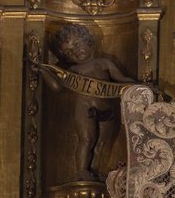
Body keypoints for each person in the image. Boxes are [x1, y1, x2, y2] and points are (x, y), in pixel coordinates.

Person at [40, 24, 135, 181]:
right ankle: (82, 171)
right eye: (69, 52)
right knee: (87, 139)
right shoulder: (73, 71)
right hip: (85, 108)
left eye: (77, 44)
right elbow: (57, 87)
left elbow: (121, 79)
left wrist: (139, 86)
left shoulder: (103, 63)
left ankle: (96, 170)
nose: (75, 52)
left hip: (107, 110)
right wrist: (44, 71)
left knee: (103, 142)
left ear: (88, 41)